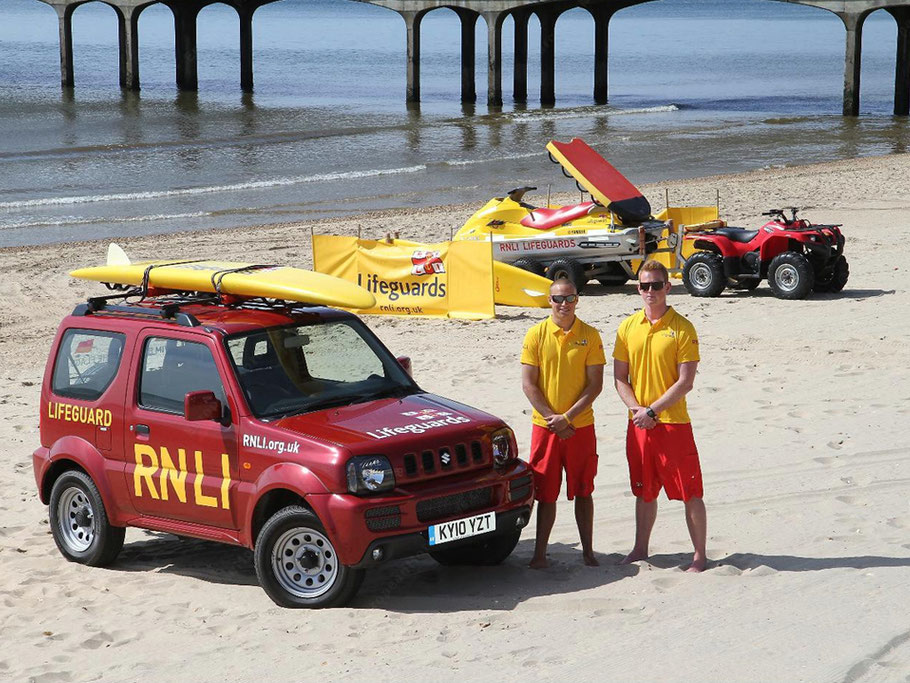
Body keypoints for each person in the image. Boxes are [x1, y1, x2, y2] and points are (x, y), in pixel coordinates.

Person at [612, 260, 708, 573]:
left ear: (667, 287)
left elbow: (686, 381)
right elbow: (619, 378)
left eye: (656, 285)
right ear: (638, 289)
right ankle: (640, 549)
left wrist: (654, 410)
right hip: (639, 424)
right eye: (644, 286)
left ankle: (699, 556)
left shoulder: (682, 328)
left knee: (690, 492)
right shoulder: (627, 327)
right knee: (643, 490)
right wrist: (637, 410)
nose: (650, 291)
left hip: (673, 424)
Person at [521, 278, 605, 568]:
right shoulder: (536, 334)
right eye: (558, 299)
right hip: (544, 428)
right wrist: (552, 419)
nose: (564, 304)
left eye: (569, 298)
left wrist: (567, 418)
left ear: (577, 300)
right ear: (549, 301)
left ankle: (588, 552)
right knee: (545, 493)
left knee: (584, 489)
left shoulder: (590, 335)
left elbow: (595, 385)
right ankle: (540, 554)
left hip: (580, 426)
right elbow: (529, 385)